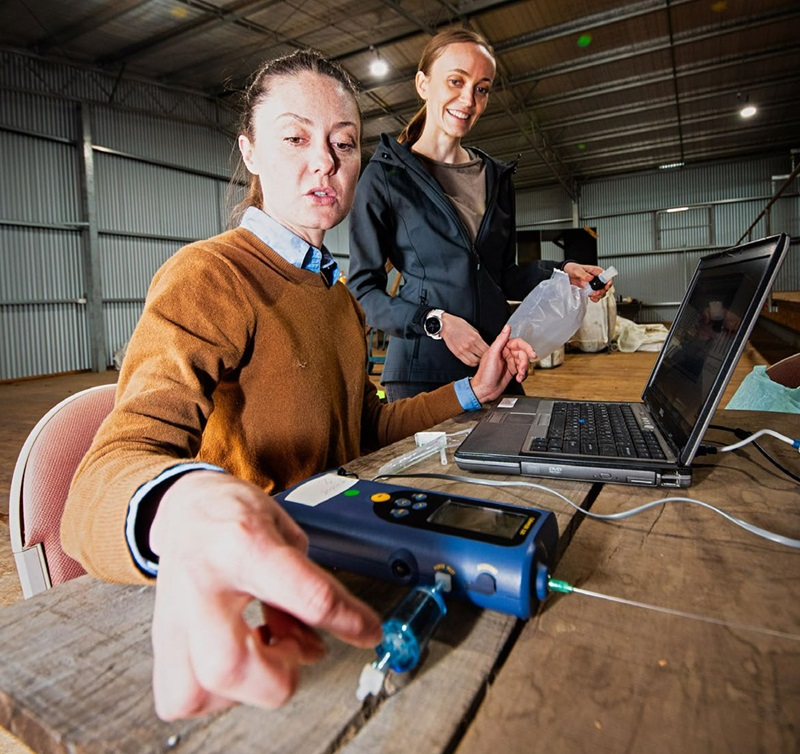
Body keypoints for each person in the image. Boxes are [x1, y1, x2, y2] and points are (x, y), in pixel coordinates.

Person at [61, 49, 535, 722]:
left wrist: (471, 393)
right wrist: (182, 508)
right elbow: (97, 484)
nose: (326, 162)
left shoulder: (337, 297)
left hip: (330, 556)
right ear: (250, 151)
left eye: (344, 145)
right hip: (248, 604)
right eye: (295, 138)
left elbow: (361, 428)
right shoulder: (210, 277)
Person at [347, 27, 610, 402]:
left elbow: (502, 276)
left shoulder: (496, 177)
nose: (468, 100)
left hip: (494, 363)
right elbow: (363, 292)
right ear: (423, 84)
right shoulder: (387, 175)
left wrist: (561, 272)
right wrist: (434, 322)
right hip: (421, 375)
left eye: (481, 88)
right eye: (456, 81)